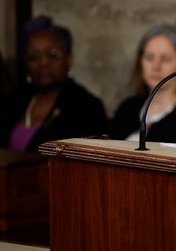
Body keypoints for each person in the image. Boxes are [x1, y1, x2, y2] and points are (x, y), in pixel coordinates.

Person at [7, 15, 108, 152]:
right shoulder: (15, 99)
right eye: (33, 57)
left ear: (69, 59)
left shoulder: (87, 106)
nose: (43, 63)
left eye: (52, 55)